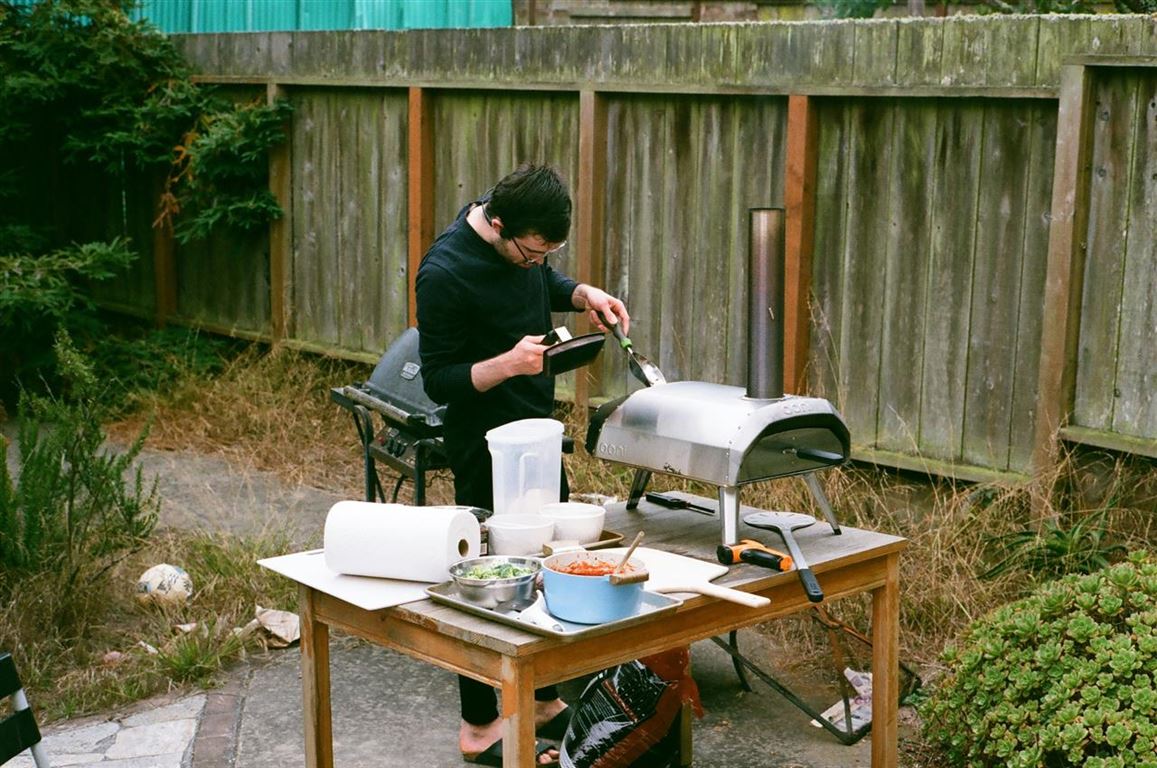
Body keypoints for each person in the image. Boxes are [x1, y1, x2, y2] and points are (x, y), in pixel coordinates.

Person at [416, 163, 629, 766]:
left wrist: (580, 293)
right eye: (533, 252)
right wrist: (507, 364)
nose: (539, 262)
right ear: (501, 226)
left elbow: (538, 282)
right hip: (483, 443)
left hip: (536, 434)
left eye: (549, 254)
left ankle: (538, 701)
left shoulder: (521, 249)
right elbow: (439, 380)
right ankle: (478, 726)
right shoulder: (444, 272)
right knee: (491, 581)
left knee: (551, 562)